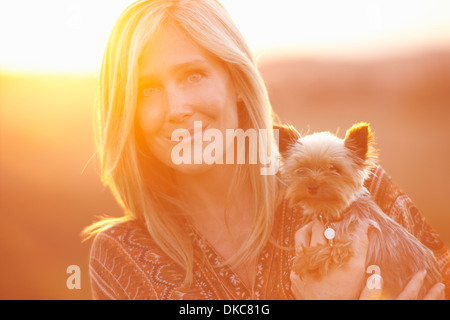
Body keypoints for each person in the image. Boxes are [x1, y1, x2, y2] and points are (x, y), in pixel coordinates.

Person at [83, 0, 449, 300]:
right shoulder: (122, 257)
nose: (176, 107)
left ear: (238, 82)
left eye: (193, 75)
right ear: (126, 111)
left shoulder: (360, 191)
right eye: (147, 89)